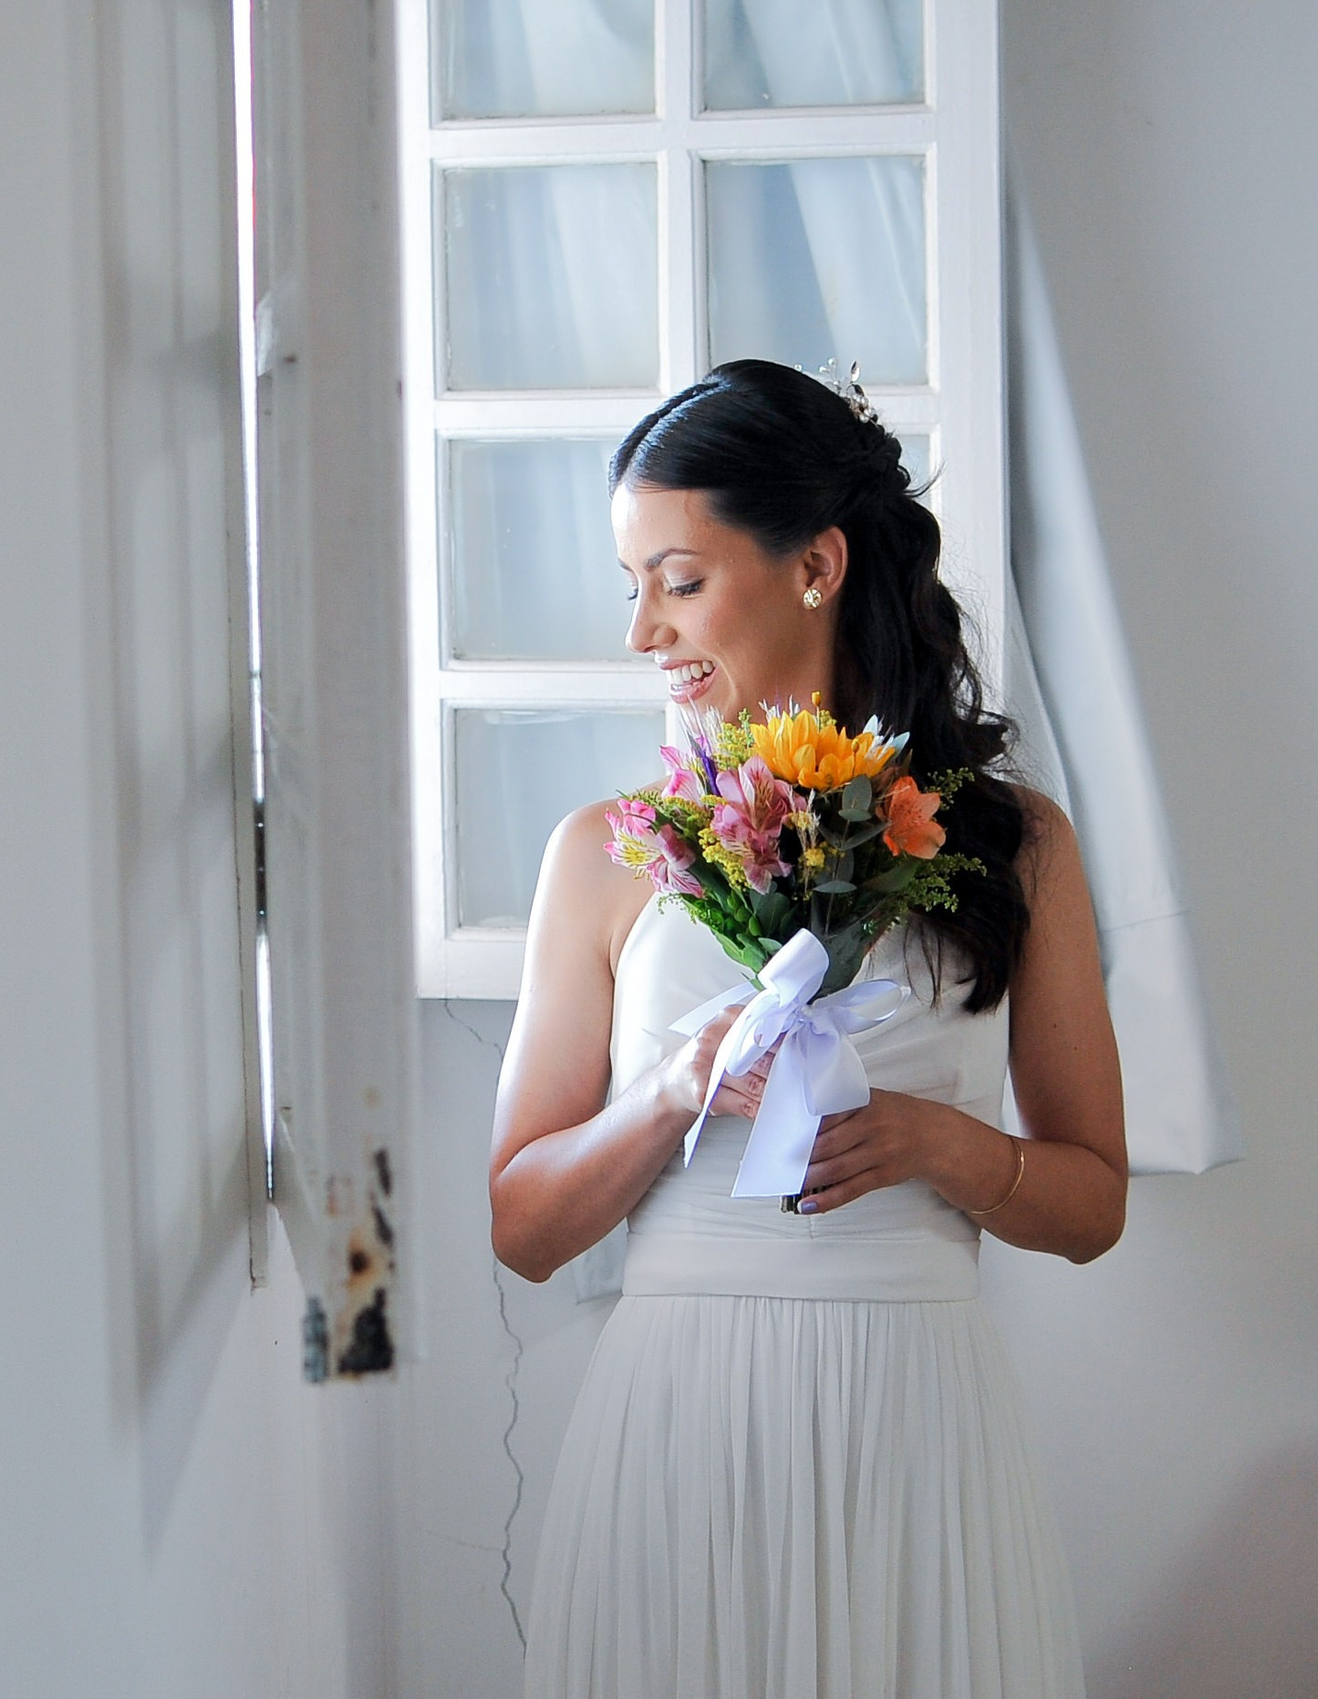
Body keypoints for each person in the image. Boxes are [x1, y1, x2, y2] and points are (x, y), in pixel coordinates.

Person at [492, 360, 1127, 1698]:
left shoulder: (1014, 851)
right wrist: (671, 1088)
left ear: (816, 566)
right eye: (634, 588)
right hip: (682, 1424)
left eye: (677, 579)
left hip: (917, 1419)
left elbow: (1091, 1207)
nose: (643, 634)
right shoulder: (605, 856)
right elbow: (525, 1227)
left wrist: (952, 1148)